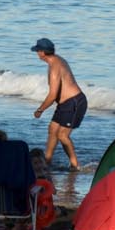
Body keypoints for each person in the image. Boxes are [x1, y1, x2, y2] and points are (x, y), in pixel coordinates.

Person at [32, 37, 86, 171]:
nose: (37, 53)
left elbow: (52, 95)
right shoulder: (56, 60)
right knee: (52, 130)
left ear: (42, 52)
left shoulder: (55, 66)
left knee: (62, 135)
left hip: (74, 102)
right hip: (65, 104)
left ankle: (75, 165)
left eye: (38, 50)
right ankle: (47, 160)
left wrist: (40, 110)